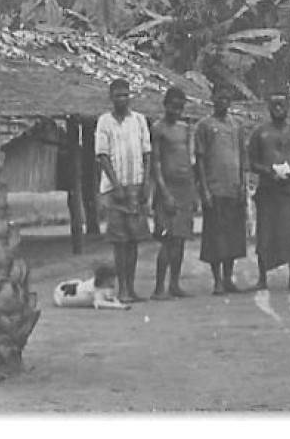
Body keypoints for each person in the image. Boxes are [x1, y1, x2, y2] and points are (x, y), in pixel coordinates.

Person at [95, 78, 153, 302]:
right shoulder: (104, 122)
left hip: (136, 186)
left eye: (125, 94)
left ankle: (131, 286)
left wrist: (146, 183)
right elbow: (102, 155)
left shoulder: (139, 120)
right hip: (114, 189)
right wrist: (116, 185)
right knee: (120, 241)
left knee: (134, 240)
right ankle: (122, 289)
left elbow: (147, 154)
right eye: (118, 95)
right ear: (111, 97)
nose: (122, 99)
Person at [248, 94, 290, 291]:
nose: (278, 108)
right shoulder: (259, 133)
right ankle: (262, 278)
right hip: (267, 190)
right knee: (265, 233)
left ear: (288, 106)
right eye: (274, 104)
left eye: (282, 104)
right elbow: (252, 162)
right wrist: (268, 172)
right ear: (268, 107)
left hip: (288, 191)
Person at [194, 87, 247, 294]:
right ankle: (216, 281)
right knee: (215, 237)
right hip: (214, 189)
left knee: (233, 236)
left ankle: (228, 279)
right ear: (213, 99)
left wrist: (243, 184)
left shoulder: (237, 126)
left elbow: (242, 158)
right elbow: (199, 159)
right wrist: (204, 189)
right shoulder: (204, 126)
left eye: (227, 98)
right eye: (220, 97)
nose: (223, 101)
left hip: (233, 188)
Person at [150, 84, 197, 299]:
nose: (176, 111)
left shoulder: (185, 128)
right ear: (165, 105)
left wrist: (193, 192)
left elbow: (188, 159)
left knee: (180, 239)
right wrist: (164, 193)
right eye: (173, 106)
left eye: (180, 107)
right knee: (168, 239)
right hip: (167, 187)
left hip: (185, 187)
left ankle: (175, 284)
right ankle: (159, 287)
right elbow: (156, 164)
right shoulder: (158, 128)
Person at [53, 263, 131, 310]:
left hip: (62, 289)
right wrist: (119, 306)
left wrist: (116, 301)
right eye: (111, 279)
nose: (113, 282)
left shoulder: (97, 285)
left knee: (80, 283)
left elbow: (109, 297)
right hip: (60, 299)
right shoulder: (94, 291)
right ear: (104, 280)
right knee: (80, 284)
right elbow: (99, 303)